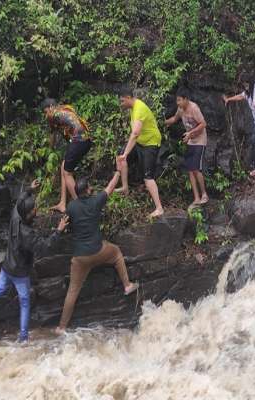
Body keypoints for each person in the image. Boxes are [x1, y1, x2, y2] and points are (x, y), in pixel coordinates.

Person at [0, 180, 68, 342]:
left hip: (7, 267)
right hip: (20, 273)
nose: (36, 209)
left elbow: (20, 200)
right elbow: (45, 246)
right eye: (34, 208)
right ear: (29, 214)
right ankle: (23, 337)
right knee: (24, 303)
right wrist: (59, 230)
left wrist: (30, 188)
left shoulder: (16, 216)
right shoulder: (27, 234)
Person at [56, 173, 139, 334]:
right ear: (88, 189)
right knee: (116, 253)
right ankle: (127, 285)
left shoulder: (72, 206)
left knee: (72, 292)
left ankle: (61, 327)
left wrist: (60, 229)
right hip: (99, 250)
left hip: (80, 258)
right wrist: (117, 172)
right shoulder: (96, 201)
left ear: (76, 192)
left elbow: (64, 222)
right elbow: (110, 187)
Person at [117, 87, 165, 218]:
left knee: (147, 177)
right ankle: (125, 187)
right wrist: (124, 153)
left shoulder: (139, 108)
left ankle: (159, 208)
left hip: (151, 143)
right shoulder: (133, 108)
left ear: (128, 98)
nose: (121, 104)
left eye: (122, 101)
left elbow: (135, 133)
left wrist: (126, 153)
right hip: (141, 142)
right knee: (120, 155)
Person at [42, 99, 93, 214]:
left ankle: (80, 206)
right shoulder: (64, 109)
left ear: (51, 107)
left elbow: (55, 132)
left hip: (79, 140)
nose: (46, 115)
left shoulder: (55, 113)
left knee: (67, 173)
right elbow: (53, 136)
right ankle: (62, 203)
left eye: (45, 112)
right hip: (86, 140)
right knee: (64, 166)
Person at [164, 88, 209, 208]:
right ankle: (196, 198)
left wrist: (190, 133)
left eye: (179, 100)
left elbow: (203, 124)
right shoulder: (180, 109)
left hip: (200, 140)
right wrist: (163, 123)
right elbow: (174, 119)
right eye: (176, 100)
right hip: (191, 141)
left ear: (186, 99)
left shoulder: (194, 108)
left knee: (196, 168)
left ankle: (204, 194)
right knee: (190, 169)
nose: (177, 103)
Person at [223, 75, 255, 181]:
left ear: (250, 82)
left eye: (247, 83)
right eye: (243, 84)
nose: (245, 86)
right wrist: (228, 99)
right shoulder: (247, 93)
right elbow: (240, 97)